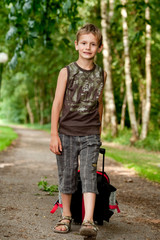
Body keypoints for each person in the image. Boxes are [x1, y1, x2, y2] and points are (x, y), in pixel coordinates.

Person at [50, 23, 107, 237]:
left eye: (93, 44)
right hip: (66, 133)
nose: (88, 47)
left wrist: (99, 130)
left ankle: (88, 221)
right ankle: (65, 216)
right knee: (67, 175)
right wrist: (54, 134)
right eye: (84, 43)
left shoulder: (102, 74)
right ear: (76, 45)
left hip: (91, 134)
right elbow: (57, 104)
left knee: (90, 174)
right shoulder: (67, 72)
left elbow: (99, 102)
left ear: (99, 48)